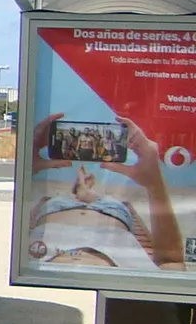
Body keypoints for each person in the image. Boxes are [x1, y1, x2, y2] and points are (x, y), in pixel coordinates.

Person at [27, 110, 186, 270]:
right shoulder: (138, 280)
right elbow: (172, 262)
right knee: (100, 198)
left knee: (75, 196)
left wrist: (27, 164)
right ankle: (84, 189)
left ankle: (81, 189)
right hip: (110, 212)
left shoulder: (25, 268)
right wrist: (154, 183)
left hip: (58, 208)